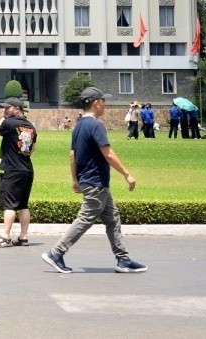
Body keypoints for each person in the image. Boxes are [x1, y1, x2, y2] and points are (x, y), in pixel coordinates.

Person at [42, 87, 146, 274]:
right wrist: (127, 174)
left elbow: (72, 155)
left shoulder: (79, 126)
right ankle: (56, 253)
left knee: (112, 218)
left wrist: (75, 179)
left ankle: (123, 259)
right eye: (104, 101)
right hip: (95, 180)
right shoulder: (96, 126)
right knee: (85, 218)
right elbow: (108, 153)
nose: (105, 104)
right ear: (96, 103)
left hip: (90, 180)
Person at [0, 97, 36, 248]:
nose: (4, 110)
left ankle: (5, 237)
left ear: (17, 109)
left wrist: (3, 118)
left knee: (9, 205)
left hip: (13, 170)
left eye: (7, 108)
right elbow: (32, 149)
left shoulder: (9, 123)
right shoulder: (30, 126)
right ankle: (23, 237)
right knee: (23, 204)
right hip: (27, 169)